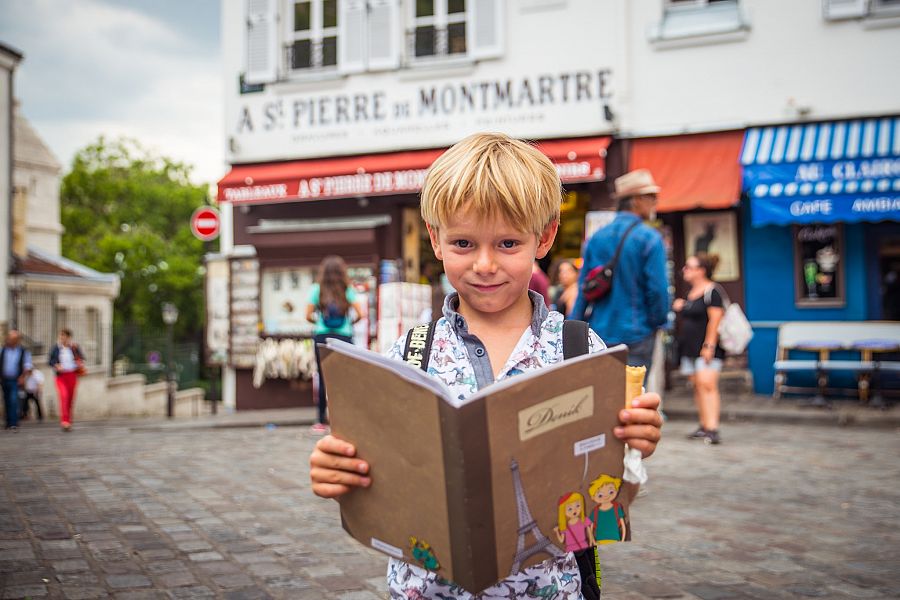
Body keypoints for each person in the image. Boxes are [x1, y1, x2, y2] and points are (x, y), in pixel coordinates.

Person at [309, 133, 663, 599]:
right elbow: (377, 482)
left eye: (508, 243)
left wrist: (634, 449)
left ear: (546, 236)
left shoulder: (579, 349)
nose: (484, 264)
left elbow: (604, 505)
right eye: (462, 243)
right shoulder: (409, 355)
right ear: (434, 239)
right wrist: (339, 472)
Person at [572, 168, 669, 375]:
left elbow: (583, 290)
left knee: (603, 396)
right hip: (637, 333)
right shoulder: (649, 238)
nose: (655, 201)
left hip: (600, 333)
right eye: (650, 196)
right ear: (635, 200)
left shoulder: (596, 238)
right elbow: (658, 291)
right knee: (632, 397)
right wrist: (657, 323)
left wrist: (572, 329)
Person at [306, 255, 364, 434]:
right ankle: (342, 419)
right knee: (344, 378)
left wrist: (319, 322)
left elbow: (307, 315)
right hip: (344, 337)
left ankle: (320, 420)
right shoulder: (347, 289)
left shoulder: (317, 289)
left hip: (322, 337)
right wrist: (349, 324)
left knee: (323, 378)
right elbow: (360, 313)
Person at [673, 253, 725, 445]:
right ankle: (704, 425)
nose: (684, 270)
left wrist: (709, 345)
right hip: (689, 348)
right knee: (698, 387)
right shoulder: (690, 293)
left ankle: (712, 428)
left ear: (701, 271)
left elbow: (715, 320)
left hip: (706, 348)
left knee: (708, 385)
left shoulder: (713, 291)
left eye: (689, 267)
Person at [49, 329, 84, 432]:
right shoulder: (56, 348)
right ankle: (65, 421)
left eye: (63, 336)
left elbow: (81, 358)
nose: (62, 338)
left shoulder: (74, 348)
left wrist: (79, 363)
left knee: (70, 398)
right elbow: (50, 360)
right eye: (60, 336)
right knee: (64, 396)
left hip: (72, 375)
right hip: (61, 376)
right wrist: (56, 365)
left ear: (68, 337)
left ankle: (69, 420)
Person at [1, 330, 33, 431]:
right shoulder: (3, 350)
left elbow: (28, 365)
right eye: (10, 338)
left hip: (16, 379)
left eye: (14, 339)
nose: (11, 340)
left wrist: (23, 377)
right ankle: (8, 422)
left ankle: (13, 422)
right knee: (6, 400)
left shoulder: (23, 351)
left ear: (18, 340)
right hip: (4, 379)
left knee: (14, 400)